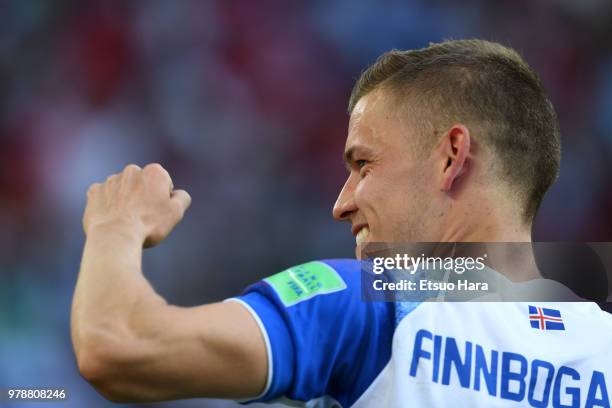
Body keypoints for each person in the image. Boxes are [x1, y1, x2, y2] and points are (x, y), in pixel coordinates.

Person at [71, 39, 612, 407]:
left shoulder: (368, 309)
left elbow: (117, 345)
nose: (342, 203)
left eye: (363, 164)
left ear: (451, 157)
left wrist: (115, 227)